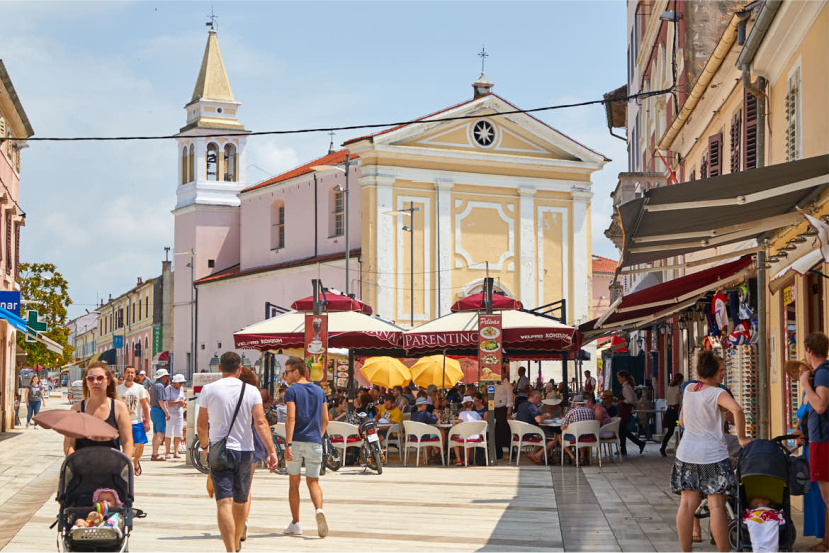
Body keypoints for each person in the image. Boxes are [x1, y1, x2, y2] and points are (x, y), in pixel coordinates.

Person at [197, 353, 278, 553]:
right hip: (244, 451)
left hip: (219, 450)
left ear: (220, 368)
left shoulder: (209, 390)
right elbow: (260, 422)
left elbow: (201, 425)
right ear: (239, 369)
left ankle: (230, 550)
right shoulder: (252, 391)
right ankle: (236, 542)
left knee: (224, 501)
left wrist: (206, 447)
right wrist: (272, 451)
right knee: (241, 500)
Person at [672, 350, 750, 553]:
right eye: (722, 370)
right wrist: (741, 438)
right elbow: (738, 410)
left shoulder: (689, 389)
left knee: (687, 505)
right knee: (716, 507)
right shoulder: (717, 393)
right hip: (713, 456)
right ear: (713, 372)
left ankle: (685, 550)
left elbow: (683, 421)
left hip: (687, 454)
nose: (724, 373)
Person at [282, 356, 329, 538]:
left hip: (296, 442)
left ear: (296, 372)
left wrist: (288, 444)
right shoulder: (319, 391)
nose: (284, 376)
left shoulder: (291, 391)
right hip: (315, 441)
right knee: (313, 482)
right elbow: (325, 420)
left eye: (286, 372)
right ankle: (319, 511)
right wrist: (318, 436)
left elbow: (290, 418)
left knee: (294, 483)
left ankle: (296, 523)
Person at [64, 362, 133, 459]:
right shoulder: (76, 409)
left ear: (108, 381)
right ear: (86, 382)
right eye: (90, 378)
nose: (95, 382)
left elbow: (127, 441)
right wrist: (76, 464)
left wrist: (125, 466)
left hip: (112, 468)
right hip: (82, 469)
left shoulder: (119, 408)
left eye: (100, 378)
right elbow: (69, 444)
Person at [799, 332, 829, 552]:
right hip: (820, 439)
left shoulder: (822, 374)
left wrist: (804, 385)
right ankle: (827, 542)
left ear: (809, 350)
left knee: (827, 497)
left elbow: (820, 406)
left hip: (823, 442)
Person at [116, 366, 150, 476]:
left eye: (132, 372)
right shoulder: (118, 389)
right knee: (125, 446)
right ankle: (127, 466)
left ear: (135, 375)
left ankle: (135, 462)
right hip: (122, 423)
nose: (130, 374)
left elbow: (144, 406)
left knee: (140, 445)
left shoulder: (140, 388)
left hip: (137, 421)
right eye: (128, 372)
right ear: (124, 374)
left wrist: (148, 422)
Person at [515, 391, 552, 463]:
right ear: (536, 398)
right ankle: (535, 454)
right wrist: (545, 415)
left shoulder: (521, 405)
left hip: (520, 432)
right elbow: (538, 420)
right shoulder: (532, 406)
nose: (540, 401)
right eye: (539, 399)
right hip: (529, 434)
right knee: (549, 437)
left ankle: (540, 456)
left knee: (545, 434)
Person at [557, 397, 596, 464]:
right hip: (589, 436)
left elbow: (562, 428)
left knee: (559, 436)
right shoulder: (591, 411)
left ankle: (573, 457)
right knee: (582, 433)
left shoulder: (571, 412)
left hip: (576, 437)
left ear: (575, 404)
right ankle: (582, 457)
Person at [617, 371, 646, 455]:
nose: (618, 379)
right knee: (622, 430)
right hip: (625, 410)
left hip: (626, 411)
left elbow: (630, 400)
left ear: (623, 378)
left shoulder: (626, 387)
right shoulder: (627, 386)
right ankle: (623, 449)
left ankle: (639, 443)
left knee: (622, 430)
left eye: (619, 377)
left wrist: (620, 401)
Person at [410, 396, 444, 462]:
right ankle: (441, 452)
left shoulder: (413, 415)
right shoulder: (426, 414)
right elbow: (438, 422)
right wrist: (438, 416)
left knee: (431, 433)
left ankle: (436, 452)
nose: (426, 406)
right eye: (425, 405)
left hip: (414, 437)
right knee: (441, 431)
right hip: (424, 437)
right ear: (423, 405)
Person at [451, 396, 482, 466]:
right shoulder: (476, 414)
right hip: (475, 436)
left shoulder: (462, 414)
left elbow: (459, 426)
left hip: (467, 436)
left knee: (452, 437)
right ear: (472, 404)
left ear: (464, 405)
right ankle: (466, 459)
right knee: (467, 434)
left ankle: (458, 459)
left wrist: (453, 423)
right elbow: (481, 422)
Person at [148, 369, 170, 461]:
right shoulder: (160, 386)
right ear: (163, 377)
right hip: (159, 410)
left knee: (155, 434)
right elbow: (161, 401)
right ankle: (155, 454)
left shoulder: (153, 385)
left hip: (153, 410)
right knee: (160, 434)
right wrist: (167, 412)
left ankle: (154, 453)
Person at [661, 373, 684, 457]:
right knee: (680, 427)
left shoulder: (670, 387)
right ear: (680, 380)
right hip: (675, 411)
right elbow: (678, 399)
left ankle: (663, 447)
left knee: (670, 431)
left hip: (669, 411)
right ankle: (681, 447)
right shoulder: (678, 388)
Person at [164, 374, 187, 459]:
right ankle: (167, 452)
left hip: (179, 413)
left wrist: (183, 403)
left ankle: (176, 452)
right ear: (175, 382)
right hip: (170, 413)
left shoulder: (181, 389)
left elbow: (183, 399)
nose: (181, 384)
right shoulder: (168, 389)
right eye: (180, 382)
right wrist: (177, 402)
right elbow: (166, 403)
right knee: (169, 433)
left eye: (182, 383)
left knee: (178, 433)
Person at [492, 371, 513, 460]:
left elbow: (510, 399)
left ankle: (512, 453)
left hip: (503, 409)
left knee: (505, 431)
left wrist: (508, 412)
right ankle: (498, 453)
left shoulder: (507, 385)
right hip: (494, 409)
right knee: (496, 432)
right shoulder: (493, 384)